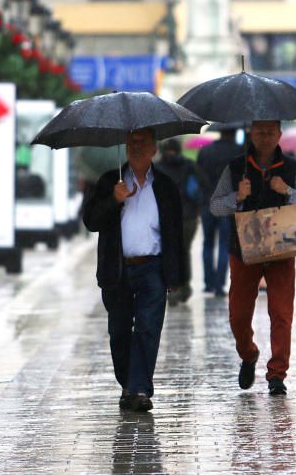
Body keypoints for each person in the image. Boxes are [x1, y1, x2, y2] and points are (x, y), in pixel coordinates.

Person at [82, 128, 185, 413]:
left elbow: (176, 232)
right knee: (119, 332)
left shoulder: (165, 185)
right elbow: (90, 220)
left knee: (148, 329)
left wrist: (176, 275)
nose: (136, 147)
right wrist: (113, 200)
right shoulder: (109, 181)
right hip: (118, 270)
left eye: (143, 143)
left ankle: (140, 389)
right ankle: (128, 384)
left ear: (154, 149)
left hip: (153, 267)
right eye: (132, 142)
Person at [210, 120, 296, 396]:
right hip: (244, 250)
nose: (265, 136)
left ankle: (277, 375)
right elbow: (215, 205)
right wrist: (237, 196)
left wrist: (288, 191)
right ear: (251, 133)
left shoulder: (292, 168)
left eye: (270, 131)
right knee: (238, 315)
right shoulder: (235, 168)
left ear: (279, 134)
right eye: (259, 131)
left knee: (281, 314)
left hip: (282, 248)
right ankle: (248, 353)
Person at [196, 127, 242, 296]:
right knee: (224, 243)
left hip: (207, 202)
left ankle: (208, 283)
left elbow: (198, 175)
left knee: (207, 243)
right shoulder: (238, 152)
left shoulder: (206, 151)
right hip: (228, 204)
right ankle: (220, 285)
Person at [154, 138, 201, 304]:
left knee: (169, 253)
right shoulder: (189, 165)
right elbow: (198, 190)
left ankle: (172, 289)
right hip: (188, 216)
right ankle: (185, 287)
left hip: (165, 216)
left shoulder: (157, 167)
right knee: (184, 251)